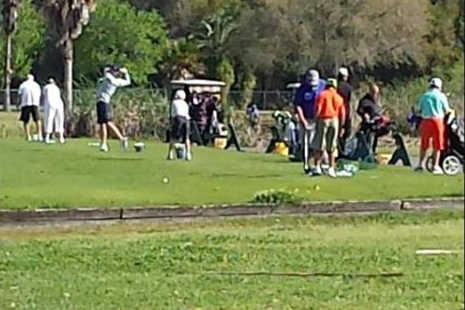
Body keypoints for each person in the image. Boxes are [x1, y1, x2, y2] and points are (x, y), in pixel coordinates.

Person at [414, 77, 450, 174]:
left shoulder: (424, 95)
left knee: (424, 144)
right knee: (437, 144)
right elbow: (446, 110)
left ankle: (420, 165)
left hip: (425, 121)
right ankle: (435, 166)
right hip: (437, 120)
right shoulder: (441, 96)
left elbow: (418, 110)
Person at [294, 69, 326, 171]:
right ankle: (306, 164)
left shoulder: (323, 85)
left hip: (319, 119)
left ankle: (321, 164)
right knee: (305, 142)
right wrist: (303, 120)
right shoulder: (302, 89)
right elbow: (298, 105)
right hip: (306, 118)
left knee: (319, 143)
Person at [312, 78, 345, 178]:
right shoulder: (339, 97)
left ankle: (317, 166)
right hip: (335, 120)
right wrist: (341, 126)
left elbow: (318, 109)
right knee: (332, 146)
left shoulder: (322, 95)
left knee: (319, 143)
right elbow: (342, 114)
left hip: (323, 119)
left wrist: (315, 120)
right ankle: (331, 168)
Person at [96, 65, 131, 152]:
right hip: (103, 102)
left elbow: (106, 72)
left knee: (105, 122)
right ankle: (106, 143)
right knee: (104, 123)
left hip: (103, 101)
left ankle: (115, 140)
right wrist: (126, 73)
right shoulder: (116, 80)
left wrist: (115, 70)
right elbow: (128, 81)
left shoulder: (111, 79)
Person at [356, 83, 390, 154]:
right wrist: (364, 114)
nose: (375, 95)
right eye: (374, 93)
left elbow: (378, 111)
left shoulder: (376, 101)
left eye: (376, 93)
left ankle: (373, 151)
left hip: (377, 123)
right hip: (368, 124)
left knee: (387, 129)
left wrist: (383, 116)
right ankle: (365, 153)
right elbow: (359, 110)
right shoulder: (365, 100)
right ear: (370, 91)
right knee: (367, 139)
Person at [167, 89, 192, 160]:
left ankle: (170, 153)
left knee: (173, 137)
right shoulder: (185, 104)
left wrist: (171, 123)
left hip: (178, 119)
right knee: (187, 138)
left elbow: (173, 114)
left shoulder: (174, 102)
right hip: (187, 120)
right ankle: (188, 154)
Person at [18, 74, 42, 141]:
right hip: (35, 103)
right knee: (37, 119)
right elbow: (39, 95)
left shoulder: (23, 85)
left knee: (26, 121)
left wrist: (18, 103)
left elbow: (19, 95)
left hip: (25, 104)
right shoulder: (36, 85)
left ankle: (28, 136)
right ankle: (39, 134)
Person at [43, 78, 65, 144]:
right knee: (60, 120)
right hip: (59, 104)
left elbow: (44, 95)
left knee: (49, 119)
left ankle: (47, 137)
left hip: (50, 104)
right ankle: (61, 137)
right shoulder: (56, 87)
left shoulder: (46, 87)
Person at [337, 67, 353, 152]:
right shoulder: (348, 87)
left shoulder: (335, 86)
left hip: (335, 111)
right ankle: (342, 151)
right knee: (345, 133)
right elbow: (349, 100)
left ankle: (339, 150)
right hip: (345, 111)